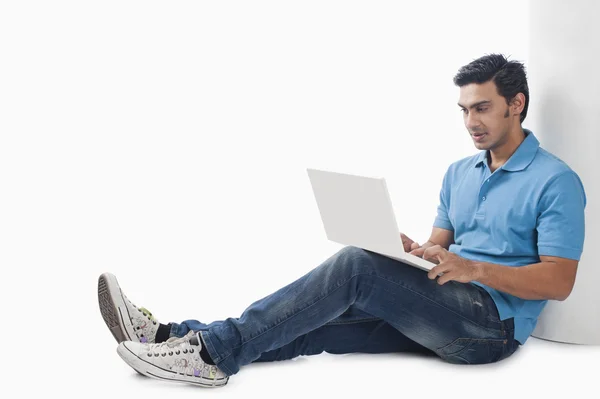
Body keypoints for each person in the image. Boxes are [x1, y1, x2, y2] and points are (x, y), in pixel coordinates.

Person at [98, 53, 586, 388]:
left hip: (489, 331)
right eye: (463, 110)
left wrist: (473, 269)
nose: (470, 122)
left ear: (516, 104)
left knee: (355, 267)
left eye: (482, 108)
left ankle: (209, 355)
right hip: (442, 306)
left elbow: (560, 282)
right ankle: (168, 338)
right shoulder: (459, 173)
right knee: (309, 322)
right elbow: (440, 245)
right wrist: (410, 251)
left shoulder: (554, 181)